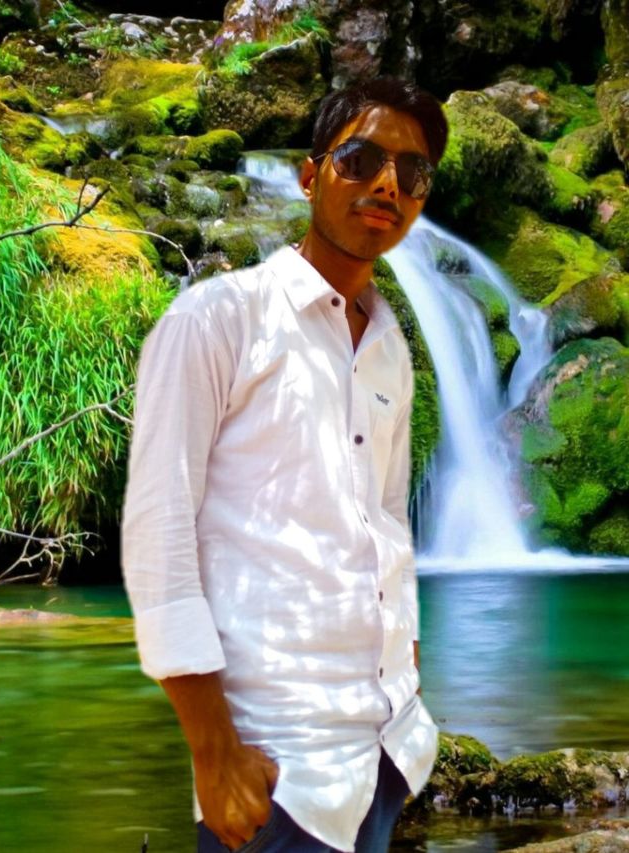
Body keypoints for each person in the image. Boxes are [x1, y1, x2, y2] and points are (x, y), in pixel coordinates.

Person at [121, 76, 448, 853]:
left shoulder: (390, 348)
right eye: (361, 159)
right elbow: (159, 534)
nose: (387, 185)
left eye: (411, 172)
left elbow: (386, 519)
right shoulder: (218, 320)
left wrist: (406, 674)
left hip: (385, 751)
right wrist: (213, 753)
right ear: (310, 175)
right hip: (275, 767)